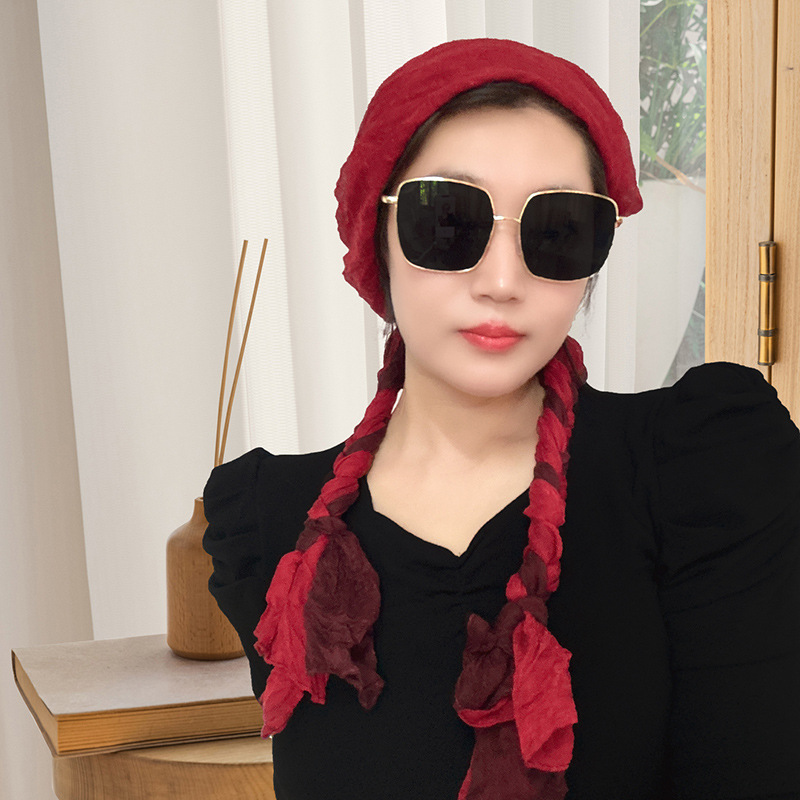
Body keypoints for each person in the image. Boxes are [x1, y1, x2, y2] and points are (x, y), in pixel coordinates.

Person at [203, 38, 800, 800]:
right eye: (449, 220)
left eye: (556, 230)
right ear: (376, 235)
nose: (502, 280)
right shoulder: (268, 527)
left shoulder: (704, 479)